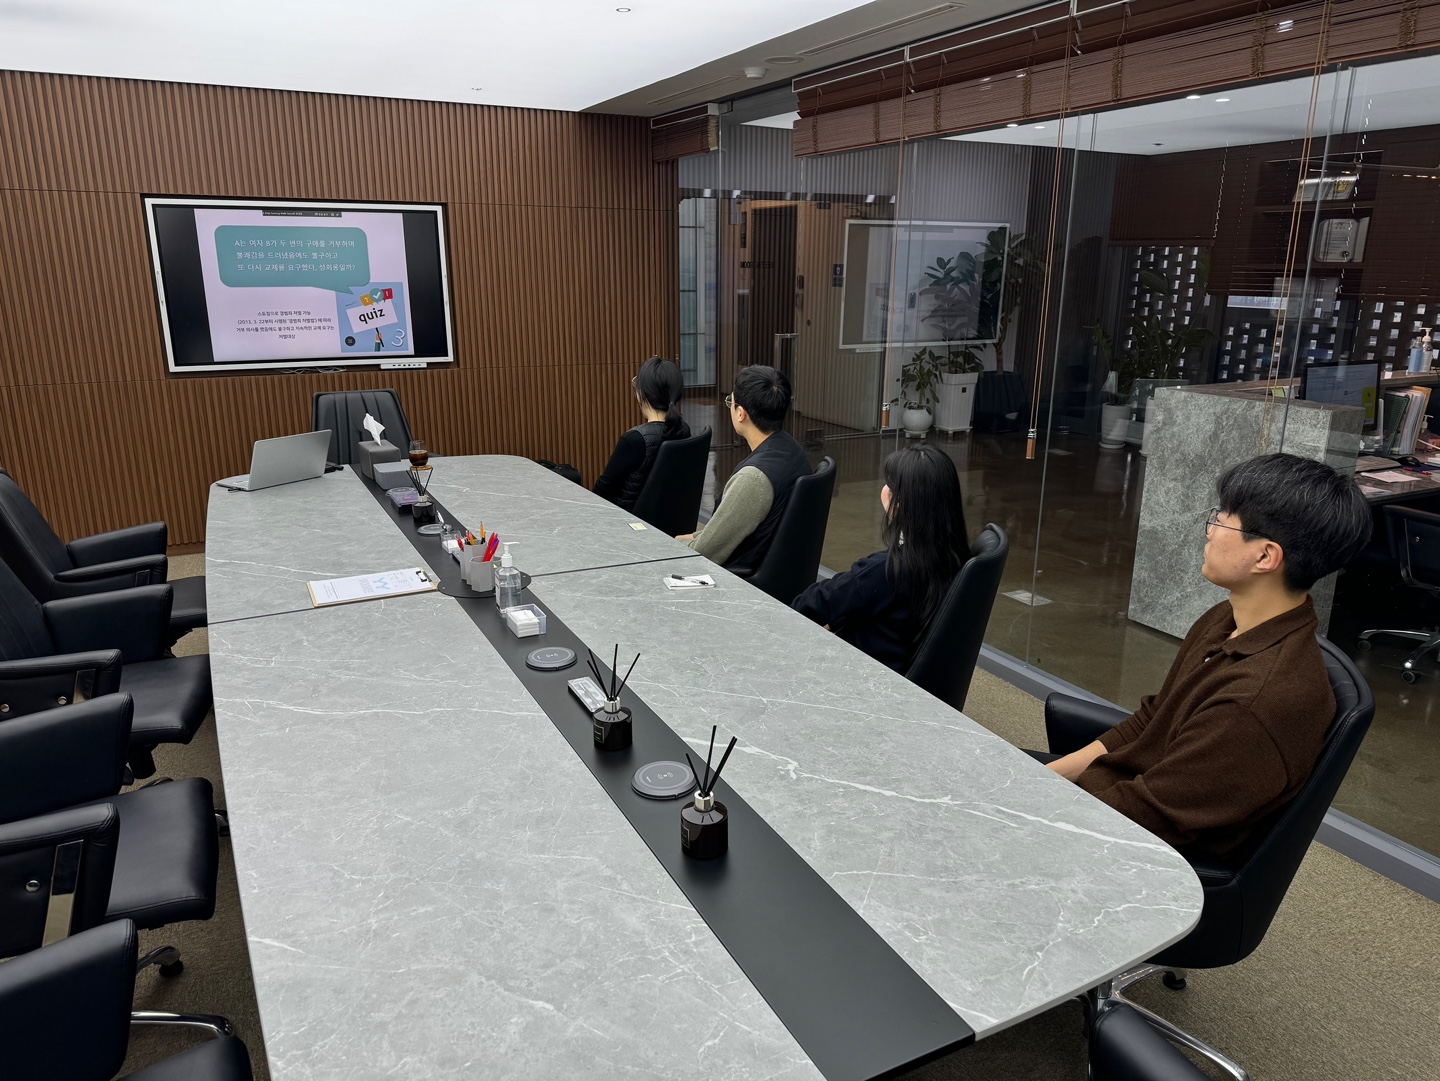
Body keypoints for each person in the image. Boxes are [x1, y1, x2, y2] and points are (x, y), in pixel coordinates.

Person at [1042, 453, 1372, 861]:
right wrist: (1045, 777)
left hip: (1133, 847)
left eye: (1223, 521)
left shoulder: (1256, 702)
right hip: (1113, 794)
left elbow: (1146, 817)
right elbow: (1152, 722)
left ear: (1265, 556)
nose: (1211, 531)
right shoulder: (1226, 619)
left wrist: (1031, 804)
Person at [791, 445, 969, 672]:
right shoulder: (957, 558)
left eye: (889, 484)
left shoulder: (885, 571)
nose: (884, 488)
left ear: (900, 502)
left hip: (859, 673)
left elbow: (807, 605)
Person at [680, 365, 810, 570]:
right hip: (774, 570)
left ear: (741, 414)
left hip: (735, 577)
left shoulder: (753, 479)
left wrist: (676, 543)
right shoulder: (794, 451)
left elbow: (704, 553)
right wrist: (696, 536)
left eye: (730, 402)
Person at [592, 356, 691, 510]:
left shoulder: (635, 439)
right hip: (672, 519)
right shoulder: (684, 430)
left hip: (630, 521)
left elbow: (601, 493)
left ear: (641, 394)